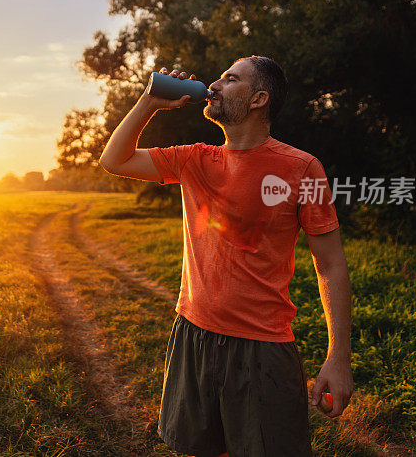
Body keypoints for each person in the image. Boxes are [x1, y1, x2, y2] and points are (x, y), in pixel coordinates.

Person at [98, 56, 353, 456]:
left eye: (230, 80)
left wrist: (338, 359)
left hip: (262, 348)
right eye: (218, 78)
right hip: (193, 334)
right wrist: (149, 100)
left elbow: (331, 264)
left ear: (258, 99)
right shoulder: (193, 158)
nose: (214, 85)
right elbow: (115, 161)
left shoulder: (302, 169)